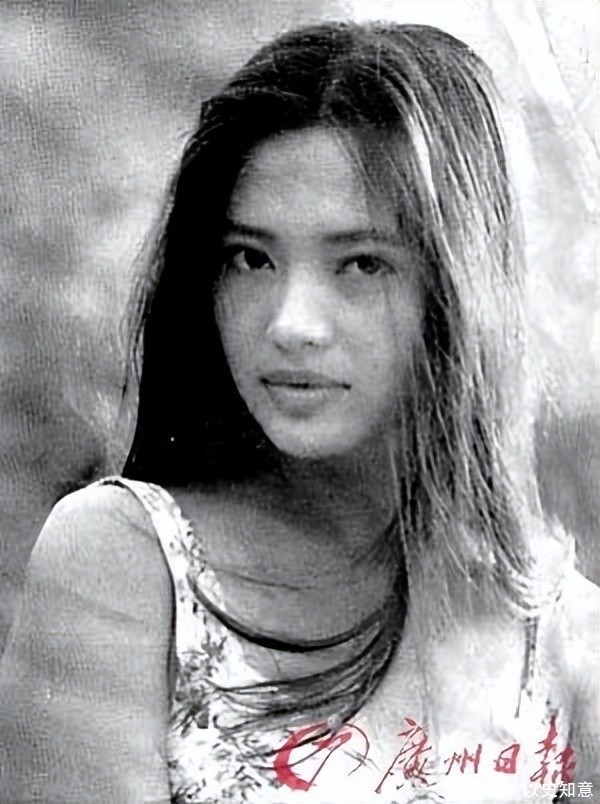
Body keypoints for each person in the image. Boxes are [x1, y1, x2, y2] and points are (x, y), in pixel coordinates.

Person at [0, 20, 597, 804]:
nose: (291, 323)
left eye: (361, 264)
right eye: (251, 258)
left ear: (461, 287)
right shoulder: (129, 562)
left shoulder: (564, 640)